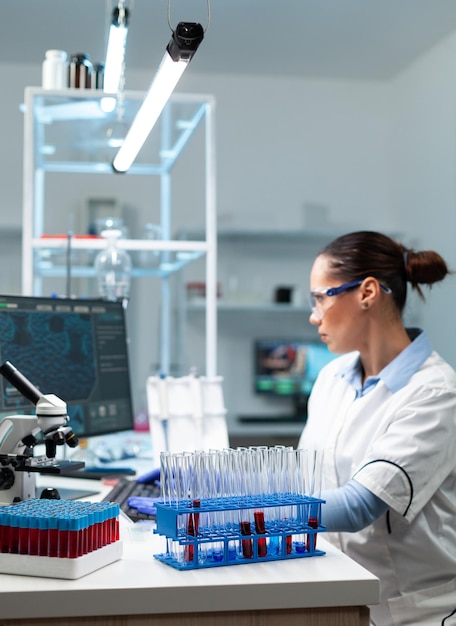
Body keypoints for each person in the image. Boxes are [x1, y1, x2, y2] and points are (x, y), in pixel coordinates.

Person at [297, 230, 456, 626]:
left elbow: (357, 507)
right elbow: (306, 483)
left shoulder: (436, 392)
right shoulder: (332, 377)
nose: (314, 315)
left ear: (367, 292)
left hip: (411, 612)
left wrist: (237, 510)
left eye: (321, 297)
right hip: (339, 595)